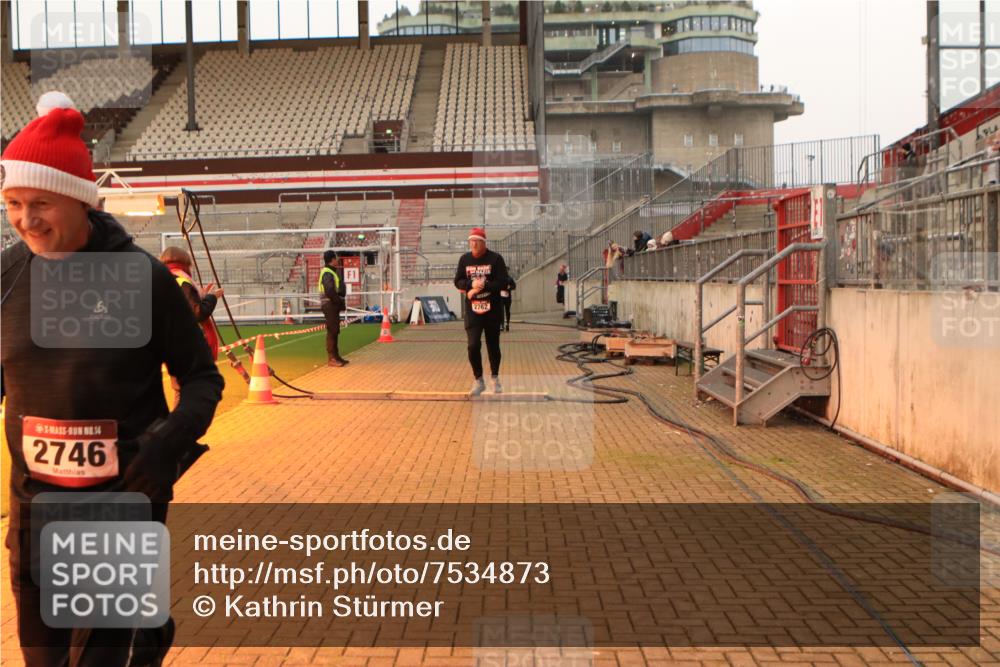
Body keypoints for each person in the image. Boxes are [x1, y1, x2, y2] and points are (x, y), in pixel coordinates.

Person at [1, 91, 224, 667]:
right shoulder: (4, 275)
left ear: (80, 201)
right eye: (13, 202)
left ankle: (140, 634)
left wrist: (163, 447)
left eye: (41, 203)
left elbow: (202, 379)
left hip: (121, 503)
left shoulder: (141, 278)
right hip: (33, 511)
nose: (27, 220)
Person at [160, 246, 223, 402]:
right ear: (186, 262)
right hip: (186, 346)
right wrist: (211, 297)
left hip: (170, 344)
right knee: (189, 395)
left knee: (182, 392)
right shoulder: (182, 280)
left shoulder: (163, 278)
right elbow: (196, 313)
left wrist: (199, 295)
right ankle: (181, 426)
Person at [454, 227, 509, 395]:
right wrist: (470, 285)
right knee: (472, 346)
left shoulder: (496, 259)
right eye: (471, 241)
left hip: (492, 310)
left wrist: (483, 285)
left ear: (484, 242)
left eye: (477, 241)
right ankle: (478, 380)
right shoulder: (464, 259)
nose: (474, 244)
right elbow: (458, 281)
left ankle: (495, 378)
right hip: (473, 311)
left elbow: (503, 282)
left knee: (493, 346)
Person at [319, 249, 348, 367]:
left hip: (332, 303)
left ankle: (336, 356)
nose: (338, 259)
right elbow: (330, 290)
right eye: (336, 258)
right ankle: (332, 358)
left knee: (335, 330)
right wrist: (339, 302)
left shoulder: (330, 271)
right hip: (330, 304)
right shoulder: (327, 272)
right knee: (332, 330)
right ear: (332, 260)